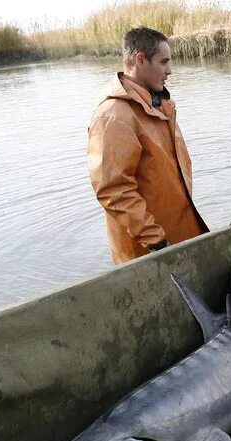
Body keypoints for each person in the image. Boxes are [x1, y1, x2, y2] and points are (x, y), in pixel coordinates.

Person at [87, 27, 207, 264]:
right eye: (163, 62)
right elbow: (114, 191)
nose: (169, 70)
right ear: (140, 60)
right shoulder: (113, 116)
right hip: (150, 253)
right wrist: (156, 242)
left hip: (179, 239)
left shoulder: (157, 104)